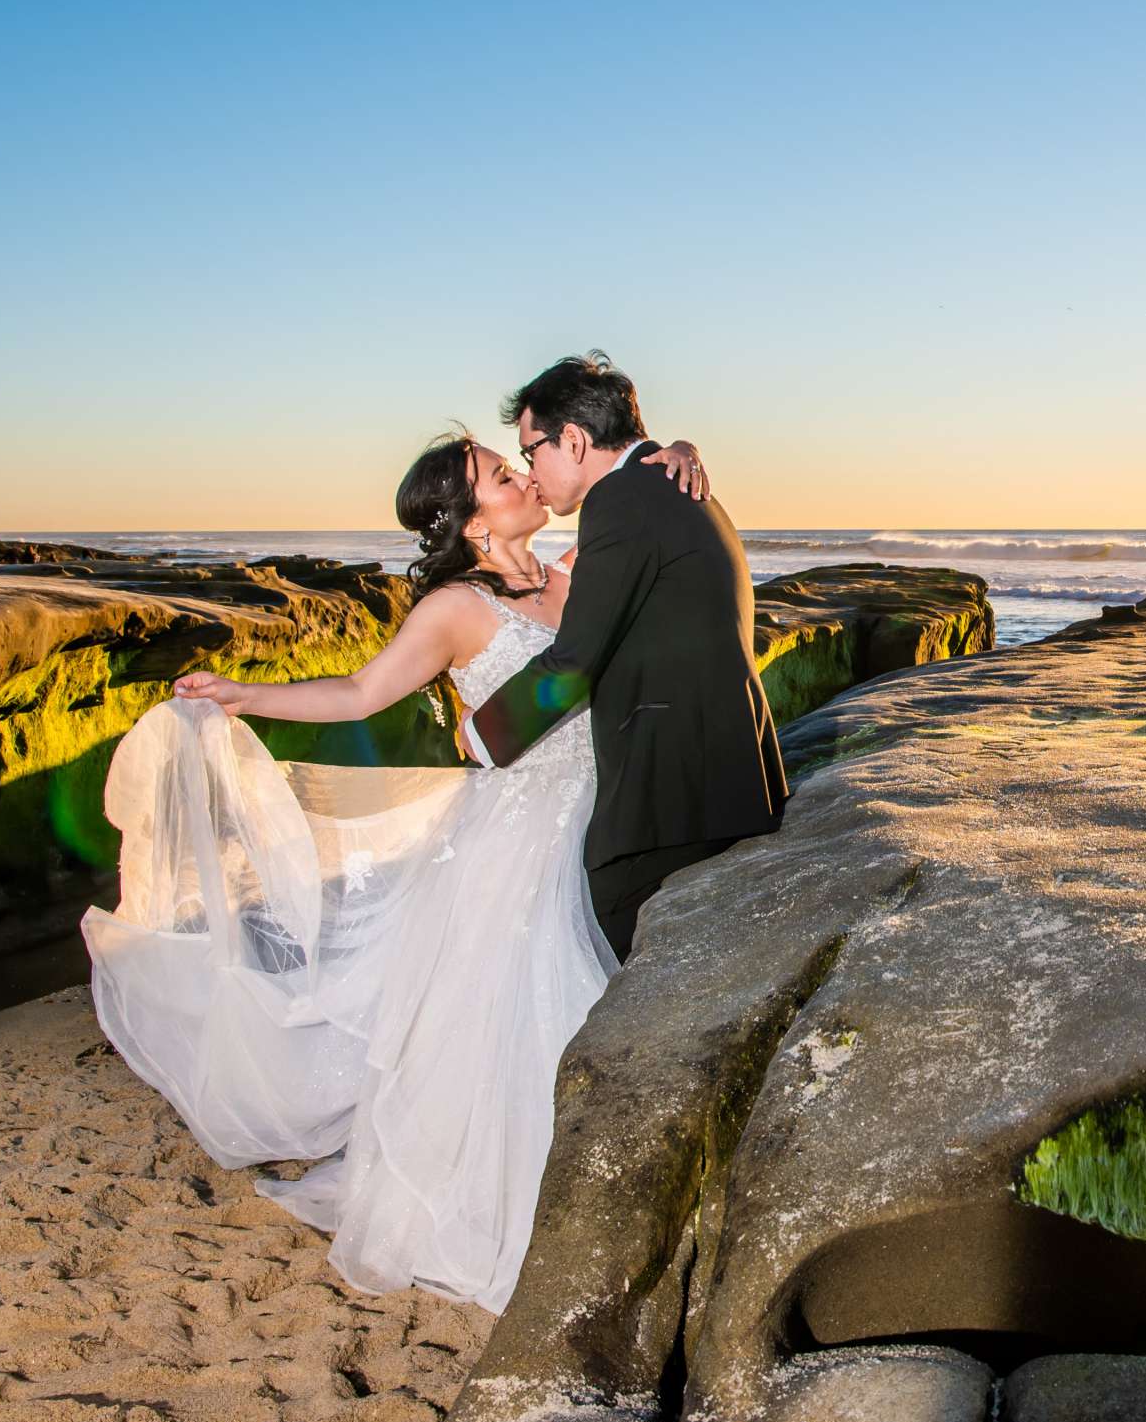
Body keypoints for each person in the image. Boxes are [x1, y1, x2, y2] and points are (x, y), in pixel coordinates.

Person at [80, 427, 707, 1313]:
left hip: (600, 812)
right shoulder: (455, 608)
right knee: (521, 1012)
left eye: (517, 462)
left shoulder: (574, 576)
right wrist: (242, 696)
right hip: (519, 833)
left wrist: (670, 448)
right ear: (468, 516)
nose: (525, 475)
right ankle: (516, 1207)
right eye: (500, 473)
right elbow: (360, 694)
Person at [462, 353, 789, 960]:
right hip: (720, 779)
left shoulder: (620, 502)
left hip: (674, 804)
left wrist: (480, 737)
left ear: (576, 440)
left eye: (532, 452)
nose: (531, 472)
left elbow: (575, 662)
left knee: (615, 945)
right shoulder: (662, 481)